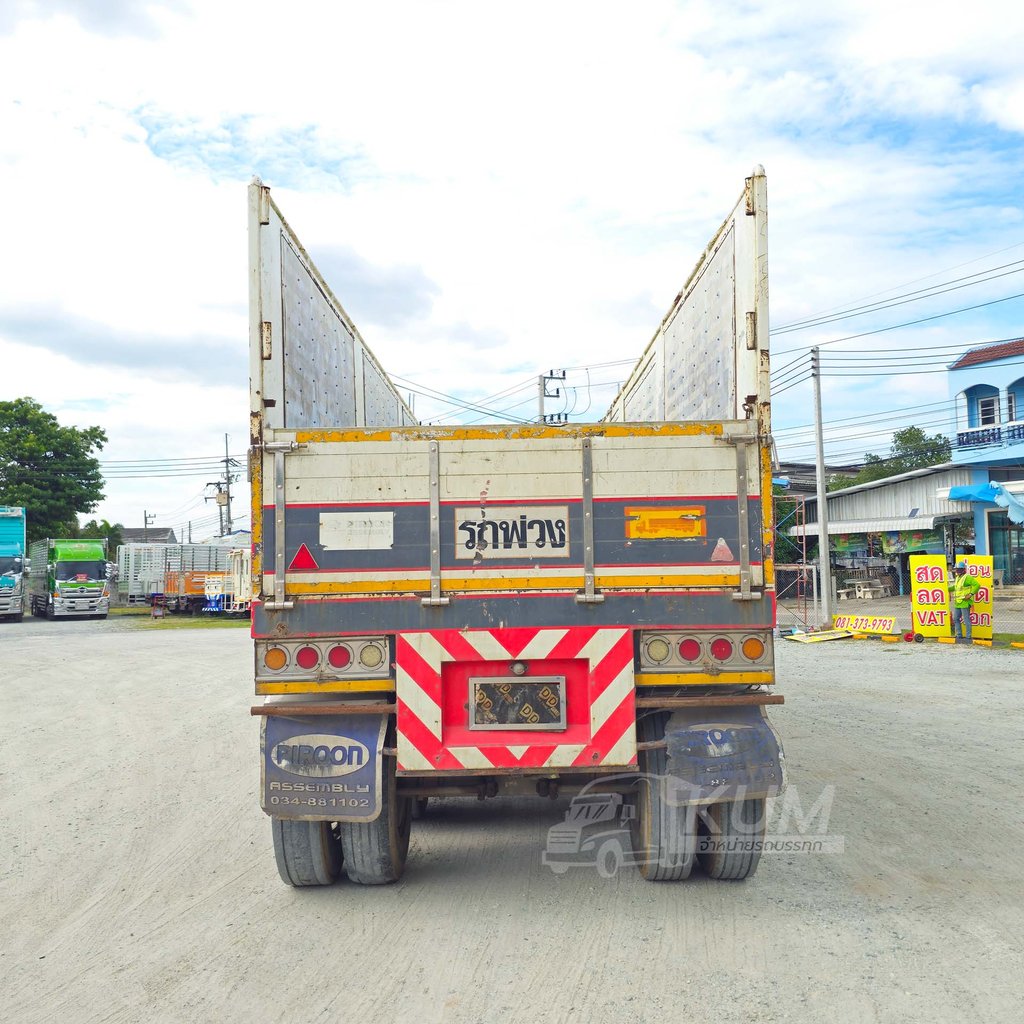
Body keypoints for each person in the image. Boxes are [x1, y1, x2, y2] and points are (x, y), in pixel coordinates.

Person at [950, 560, 981, 642]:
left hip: (965, 602)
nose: (957, 571)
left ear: (964, 570)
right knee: (956, 619)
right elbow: (955, 588)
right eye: (957, 569)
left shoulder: (967, 577)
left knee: (966, 619)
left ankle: (968, 636)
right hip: (958, 602)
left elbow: (977, 585)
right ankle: (959, 635)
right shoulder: (957, 578)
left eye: (959, 569)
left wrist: (970, 594)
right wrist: (944, 587)